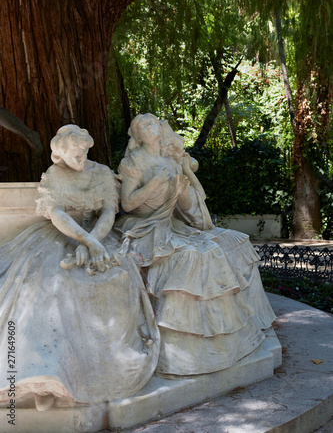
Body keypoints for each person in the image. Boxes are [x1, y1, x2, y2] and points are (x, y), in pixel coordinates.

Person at [0, 125, 159, 411]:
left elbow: (108, 211)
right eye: (74, 154)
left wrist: (94, 244)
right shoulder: (54, 175)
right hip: (61, 236)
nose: (80, 158)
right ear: (61, 154)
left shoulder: (99, 173)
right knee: (48, 281)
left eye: (84, 152)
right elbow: (57, 214)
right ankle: (42, 374)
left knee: (115, 278)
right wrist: (86, 242)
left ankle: (97, 370)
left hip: (98, 236)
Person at [115, 113, 276, 376]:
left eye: (153, 122)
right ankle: (181, 351)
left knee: (216, 248)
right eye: (143, 125)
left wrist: (182, 191)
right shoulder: (133, 162)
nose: (150, 126)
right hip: (143, 226)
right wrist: (154, 183)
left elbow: (189, 207)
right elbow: (128, 204)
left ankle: (224, 340)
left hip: (170, 224)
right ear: (137, 135)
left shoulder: (172, 163)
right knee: (191, 256)